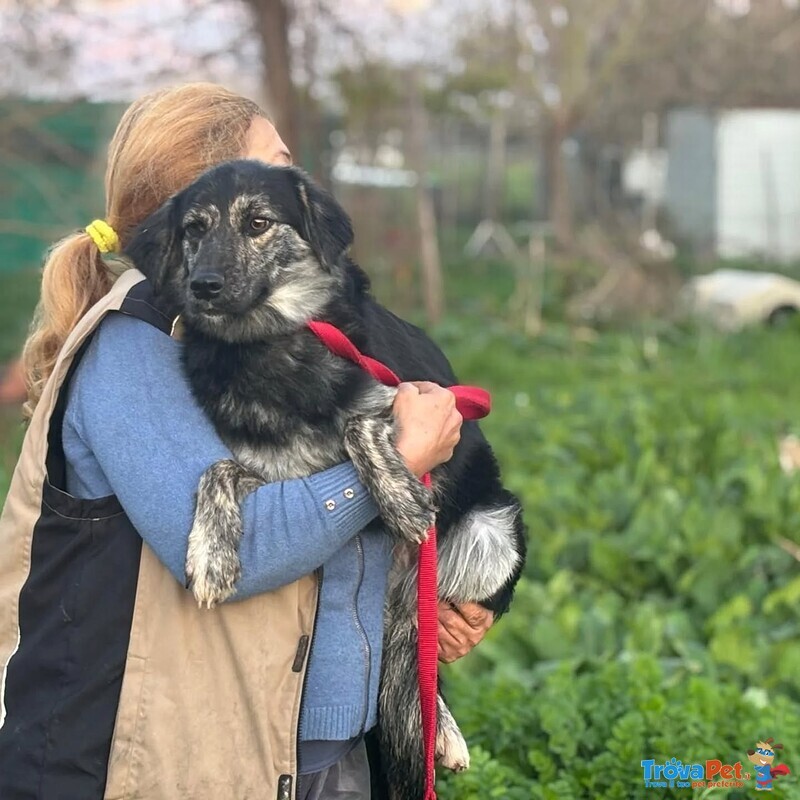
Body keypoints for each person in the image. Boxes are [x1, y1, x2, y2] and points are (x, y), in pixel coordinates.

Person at [0, 83, 495, 800]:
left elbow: (327, 513)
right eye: (275, 168)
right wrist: (394, 462)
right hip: (150, 763)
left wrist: (439, 604)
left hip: (309, 745)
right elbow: (248, 550)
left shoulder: (271, 335)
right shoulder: (133, 353)